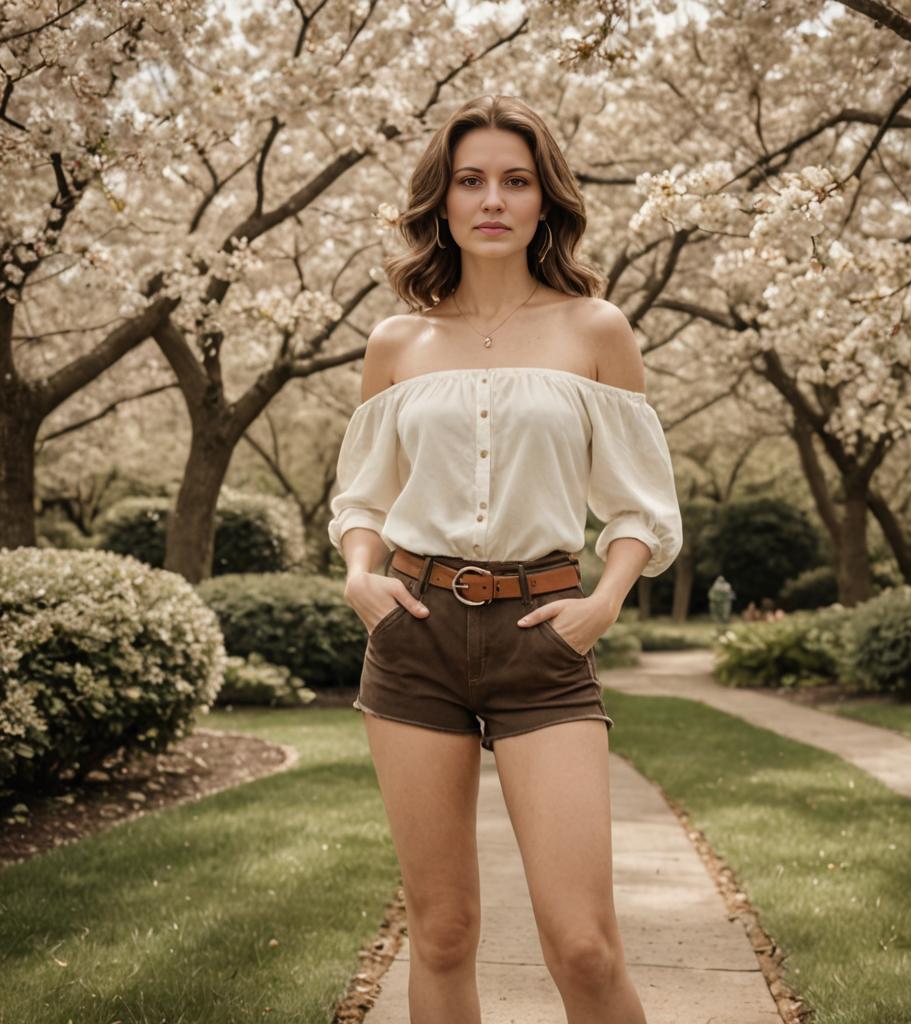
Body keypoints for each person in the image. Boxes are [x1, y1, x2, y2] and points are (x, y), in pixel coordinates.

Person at [327, 94, 683, 1024]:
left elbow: (641, 503)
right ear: (439, 201)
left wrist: (605, 600)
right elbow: (363, 495)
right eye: (471, 180)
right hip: (414, 636)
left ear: (544, 200)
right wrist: (361, 574)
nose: (493, 199)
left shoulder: (595, 329)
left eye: (516, 181)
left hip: (545, 641)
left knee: (585, 948)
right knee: (441, 934)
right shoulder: (396, 342)